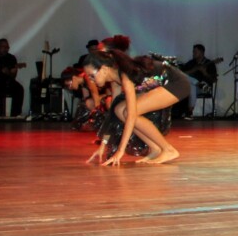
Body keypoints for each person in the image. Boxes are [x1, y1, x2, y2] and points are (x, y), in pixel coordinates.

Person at [82, 35, 189, 165]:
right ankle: (155, 148)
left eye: (92, 76)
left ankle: (168, 149)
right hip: (160, 85)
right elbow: (112, 117)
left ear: (104, 69)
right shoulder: (115, 81)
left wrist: (120, 151)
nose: (91, 80)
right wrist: (103, 145)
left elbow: (131, 115)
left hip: (175, 83)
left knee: (128, 112)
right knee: (119, 110)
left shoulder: (125, 76)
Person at [179, 43, 220, 119]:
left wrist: (205, 73)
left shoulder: (210, 64)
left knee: (192, 87)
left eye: (195, 52)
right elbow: (181, 73)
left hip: (205, 88)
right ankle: (189, 112)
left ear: (201, 52)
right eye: (193, 52)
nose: (193, 53)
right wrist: (194, 69)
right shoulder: (191, 63)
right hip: (190, 87)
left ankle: (189, 112)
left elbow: (214, 80)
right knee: (191, 85)